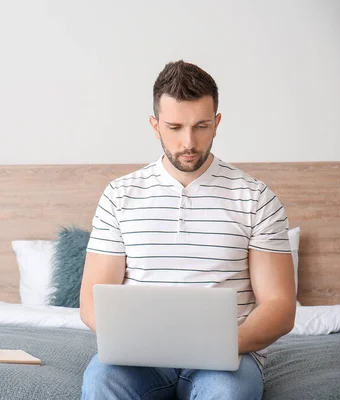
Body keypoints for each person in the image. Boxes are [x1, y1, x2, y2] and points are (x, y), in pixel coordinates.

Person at [79, 60, 296, 400]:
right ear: (155, 125)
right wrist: (137, 342)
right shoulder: (119, 195)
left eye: (201, 126)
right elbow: (92, 299)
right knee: (101, 381)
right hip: (139, 360)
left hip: (227, 358)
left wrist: (216, 345)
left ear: (217, 123)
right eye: (175, 127)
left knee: (226, 392)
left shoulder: (256, 198)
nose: (189, 142)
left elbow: (280, 306)